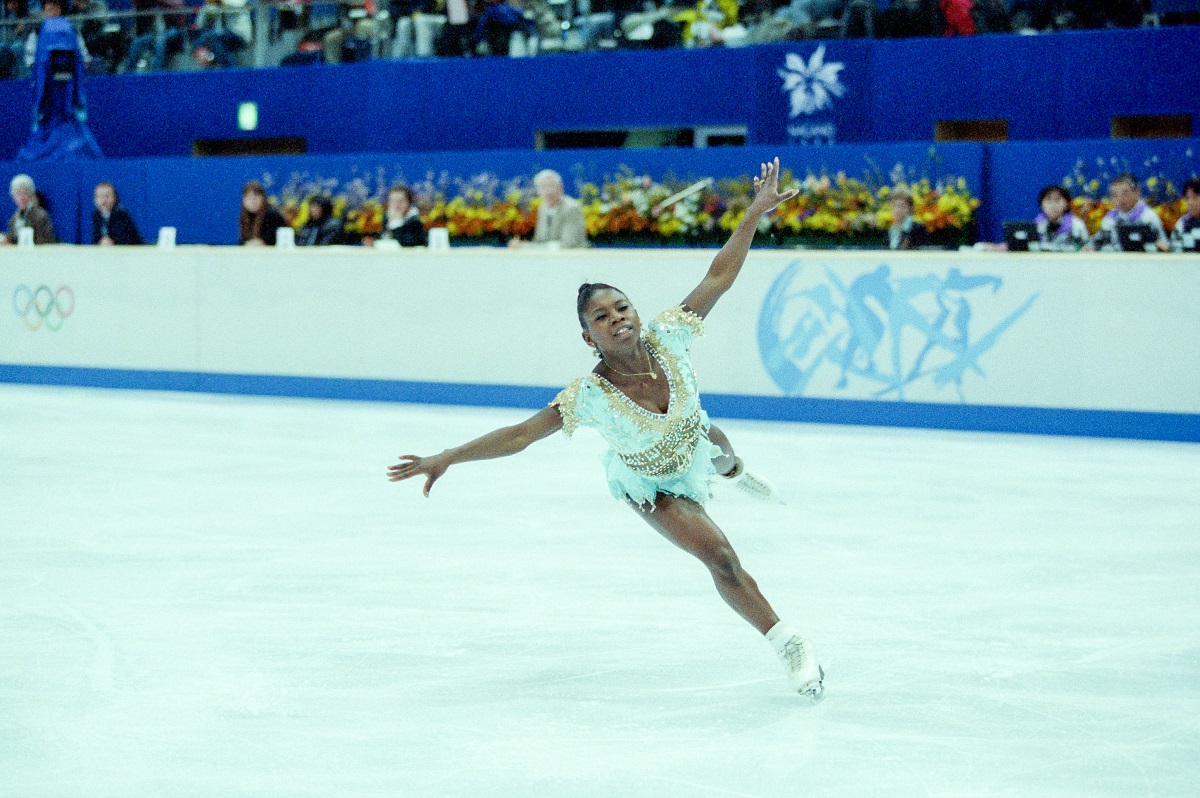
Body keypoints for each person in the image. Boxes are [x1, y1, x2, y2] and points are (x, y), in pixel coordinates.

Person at [389, 158, 827, 701]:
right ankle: (788, 642)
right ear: (588, 338)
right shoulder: (589, 396)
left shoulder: (672, 334)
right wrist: (448, 455)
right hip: (652, 485)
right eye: (601, 317)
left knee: (722, 454)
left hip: (696, 435)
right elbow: (522, 435)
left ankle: (737, 471)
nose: (616, 317)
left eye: (622, 307)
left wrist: (755, 212)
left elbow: (719, 274)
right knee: (720, 557)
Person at [1086, 173, 1168, 252]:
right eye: (1114, 195)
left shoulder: (1149, 216)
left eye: (1125, 193)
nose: (1120, 199)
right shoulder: (1110, 218)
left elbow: (1164, 246)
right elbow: (1095, 243)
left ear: (1137, 192)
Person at [509, 169, 589, 250]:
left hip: (573, 258)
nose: (548, 191)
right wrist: (521, 245)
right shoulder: (542, 208)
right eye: (543, 187)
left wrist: (528, 247)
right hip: (549, 259)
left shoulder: (571, 208)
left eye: (551, 186)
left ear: (560, 187)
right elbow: (539, 241)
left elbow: (568, 244)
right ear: (537, 191)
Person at [2, 174, 57, 245]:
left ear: (32, 195)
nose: (21, 197)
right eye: (18, 194)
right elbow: (14, 239)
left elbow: (46, 242)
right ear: (13, 196)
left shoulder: (40, 216)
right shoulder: (14, 219)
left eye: (25, 193)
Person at [1034, 184, 1088, 251]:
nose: (1053, 205)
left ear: (1067, 204)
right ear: (1041, 204)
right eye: (1048, 200)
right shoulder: (1037, 225)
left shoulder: (1077, 225)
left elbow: (1086, 248)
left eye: (1057, 200)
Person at [92, 181, 143, 245]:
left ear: (115, 198)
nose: (103, 201)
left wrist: (111, 242)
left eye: (107, 196)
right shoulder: (96, 215)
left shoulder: (121, 214)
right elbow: (96, 238)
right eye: (99, 197)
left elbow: (125, 239)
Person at [239, 180, 288, 246]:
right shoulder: (246, 218)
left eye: (256, 197)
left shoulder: (272, 216)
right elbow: (242, 242)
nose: (252, 201)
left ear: (263, 198)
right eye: (248, 198)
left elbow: (270, 241)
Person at [1170, 177, 1200, 253]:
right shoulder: (1181, 224)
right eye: (1187, 198)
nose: (1190, 202)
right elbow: (1175, 252)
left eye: (1195, 198)